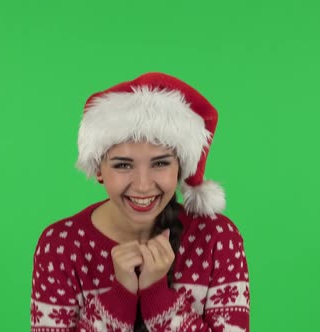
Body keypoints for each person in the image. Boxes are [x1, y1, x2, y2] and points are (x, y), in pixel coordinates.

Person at [30, 72, 250, 331]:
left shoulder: (217, 239)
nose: (143, 185)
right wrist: (119, 296)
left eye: (160, 163)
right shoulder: (61, 247)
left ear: (181, 168)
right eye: (123, 165)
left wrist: (156, 294)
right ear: (98, 170)